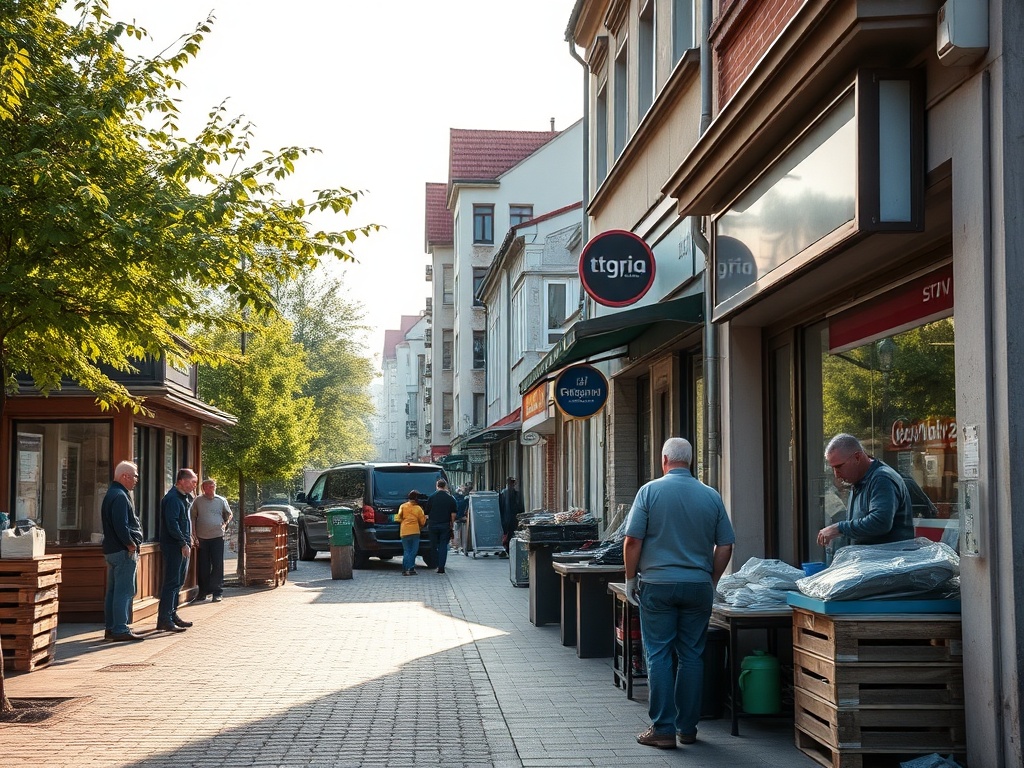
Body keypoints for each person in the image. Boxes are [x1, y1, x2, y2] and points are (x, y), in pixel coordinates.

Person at [622, 437, 735, 749]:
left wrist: (630, 579)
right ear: (691, 461)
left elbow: (632, 540)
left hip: (657, 585)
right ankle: (687, 728)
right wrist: (710, 580)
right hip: (697, 586)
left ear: (664, 460)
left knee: (658, 654)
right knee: (691, 655)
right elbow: (726, 544)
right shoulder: (711, 495)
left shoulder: (649, 492)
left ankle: (663, 729)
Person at [816, 433, 915, 549]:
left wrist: (839, 528)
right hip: (870, 558)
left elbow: (880, 522)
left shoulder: (882, 479)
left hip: (889, 558)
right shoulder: (859, 480)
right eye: (833, 468)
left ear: (857, 457)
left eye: (839, 467)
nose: (836, 474)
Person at [101, 461, 145, 642]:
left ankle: (111, 628)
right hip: (122, 551)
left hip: (112, 550)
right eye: (135, 476)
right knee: (125, 591)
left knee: (113, 591)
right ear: (124, 476)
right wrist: (130, 544)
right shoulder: (120, 496)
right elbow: (121, 525)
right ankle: (120, 628)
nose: (137, 479)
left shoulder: (112, 493)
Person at [158, 468, 198, 633]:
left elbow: (184, 522)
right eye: (192, 482)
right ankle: (165, 619)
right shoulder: (173, 498)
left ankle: (172, 615)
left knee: (178, 582)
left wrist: (189, 538)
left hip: (182, 545)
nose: (194, 485)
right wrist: (182, 542)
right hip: (174, 546)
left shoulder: (184, 498)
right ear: (181, 481)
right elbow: (172, 523)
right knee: (172, 582)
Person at [190, 478, 233, 602]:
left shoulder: (221, 500)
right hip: (202, 537)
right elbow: (193, 517)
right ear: (203, 488)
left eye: (212, 486)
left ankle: (217, 592)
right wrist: (194, 534)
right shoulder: (198, 501)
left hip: (217, 536)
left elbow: (229, 514)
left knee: (217, 565)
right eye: (207, 487)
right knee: (203, 565)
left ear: (215, 487)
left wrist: (225, 524)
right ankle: (203, 592)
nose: (210, 489)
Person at [423, 478, 457, 573]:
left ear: (437, 486)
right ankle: (441, 566)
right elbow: (453, 514)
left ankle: (437, 564)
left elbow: (426, 513)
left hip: (433, 525)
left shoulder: (431, 497)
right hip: (445, 524)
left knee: (433, 546)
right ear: (445, 486)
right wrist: (451, 525)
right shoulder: (450, 498)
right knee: (443, 546)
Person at [396, 490, 427, 575]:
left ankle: (405, 569)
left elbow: (398, 518)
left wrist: (404, 521)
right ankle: (411, 568)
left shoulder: (402, 506)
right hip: (415, 531)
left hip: (404, 531)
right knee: (413, 551)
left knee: (406, 550)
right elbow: (422, 522)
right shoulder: (418, 508)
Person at [497, 477, 524, 558]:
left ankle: (507, 550)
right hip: (511, 518)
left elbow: (500, 507)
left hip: (508, 518)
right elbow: (519, 507)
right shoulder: (513, 494)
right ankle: (508, 550)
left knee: (508, 534)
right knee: (510, 534)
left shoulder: (503, 494)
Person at [452, 481, 472, 553]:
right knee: (460, 532)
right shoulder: (464, 498)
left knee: (457, 532)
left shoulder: (457, 497)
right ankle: (460, 546)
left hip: (459, 517)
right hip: (462, 517)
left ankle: (458, 546)